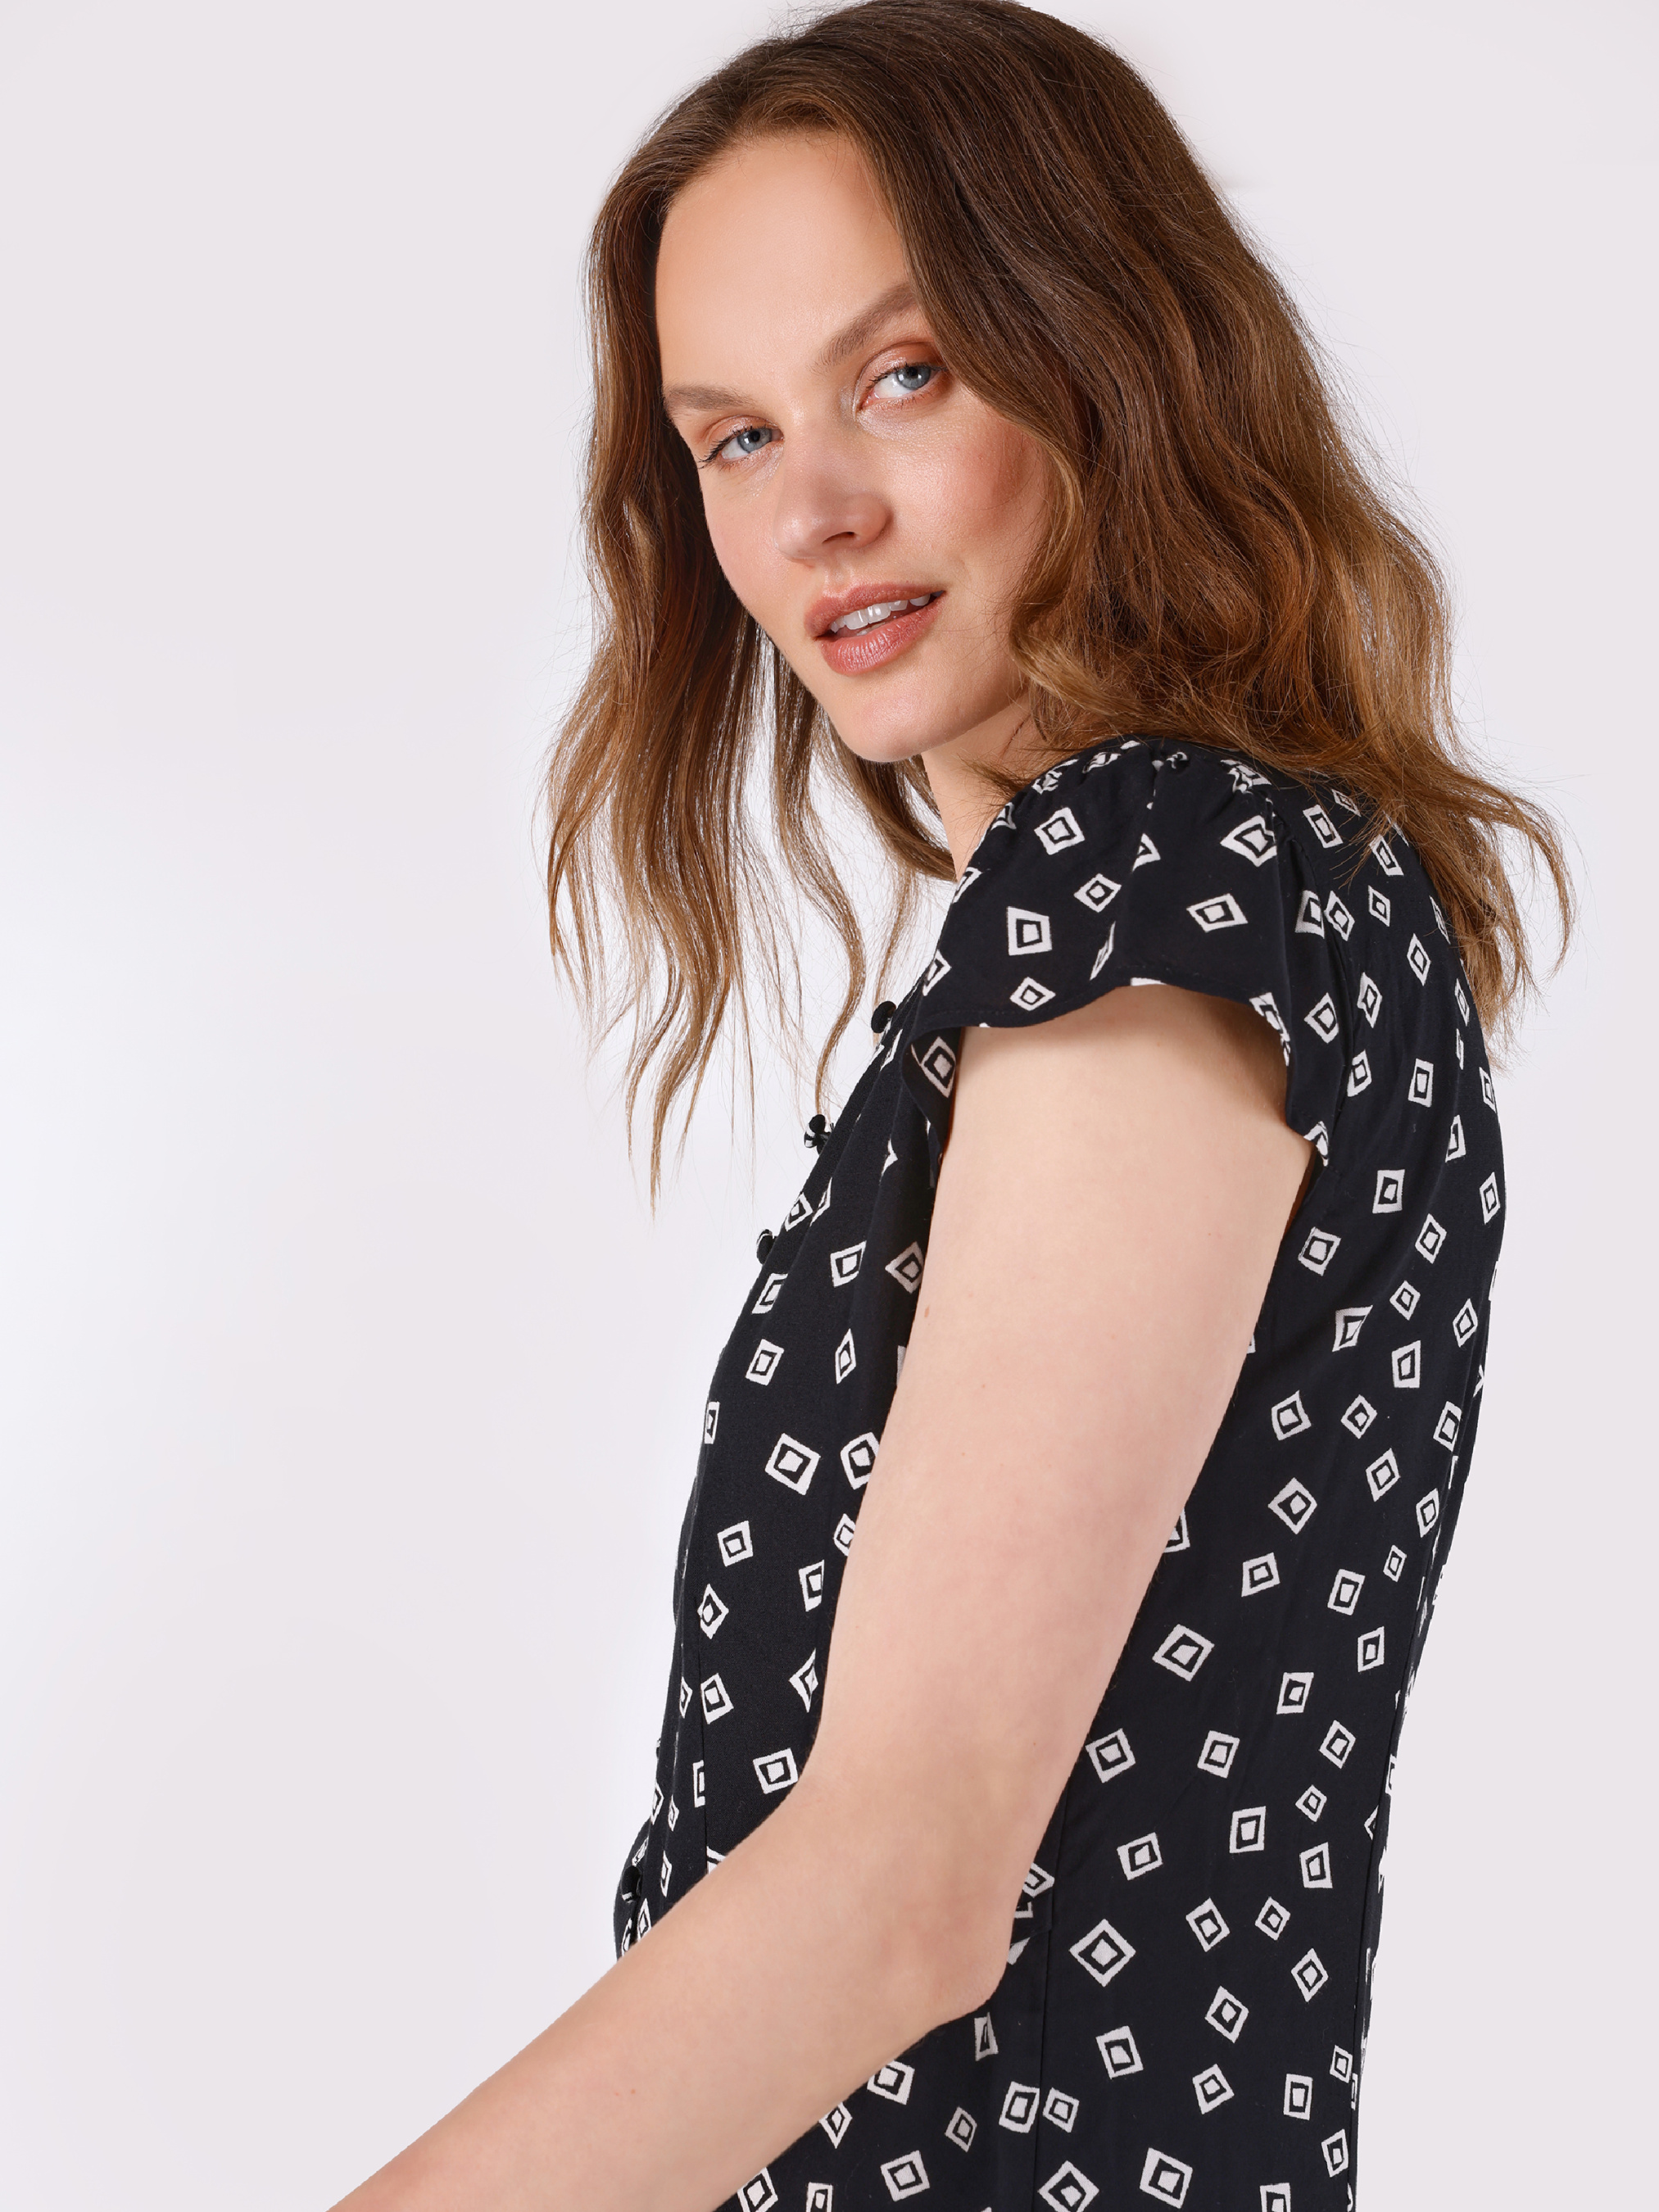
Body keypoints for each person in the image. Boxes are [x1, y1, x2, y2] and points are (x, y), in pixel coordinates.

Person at [331, 2, 1571, 2206]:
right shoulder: (1212, 892)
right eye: (732, 437)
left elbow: (904, 1880)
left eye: (901, 376)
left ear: (1107, 353)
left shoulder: (1169, 877)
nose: (813, 512)